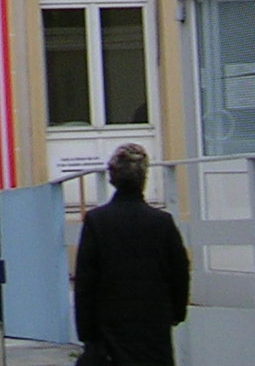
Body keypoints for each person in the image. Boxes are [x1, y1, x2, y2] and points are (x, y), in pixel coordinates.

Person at [72, 143, 190, 366]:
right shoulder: (162, 223)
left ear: (112, 178)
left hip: (109, 330)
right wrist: (175, 313)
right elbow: (179, 273)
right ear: (144, 178)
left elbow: (86, 282)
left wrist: (87, 334)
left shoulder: (97, 221)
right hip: (153, 328)